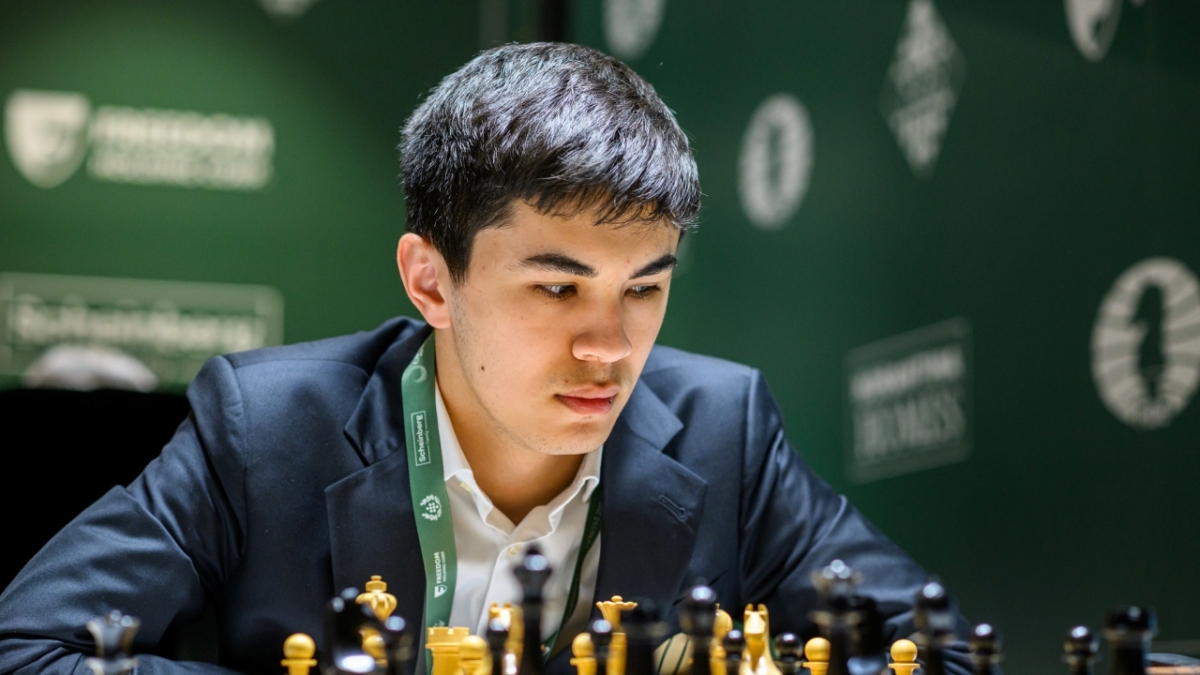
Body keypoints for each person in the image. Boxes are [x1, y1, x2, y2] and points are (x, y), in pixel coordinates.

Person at [0, 43, 970, 675]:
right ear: (431, 282)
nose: (609, 345)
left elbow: (947, 655)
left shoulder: (726, 432)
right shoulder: (265, 429)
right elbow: (27, 644)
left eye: (644, 287)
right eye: (556, 288)